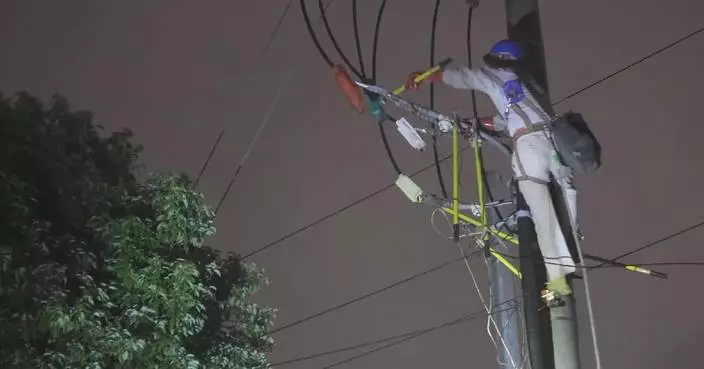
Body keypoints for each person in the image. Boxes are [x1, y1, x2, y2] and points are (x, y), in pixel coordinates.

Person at [405, 40, 579, 300]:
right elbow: (503, 120)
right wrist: (474, 123)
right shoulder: (529, 87)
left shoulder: (493, 76)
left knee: (542, 214)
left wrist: (426, 76)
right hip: (552, 141)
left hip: (528, 147)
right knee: (567, 193)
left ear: (497, 58)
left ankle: (558, 278)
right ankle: (574, 246)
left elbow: (464, 77)